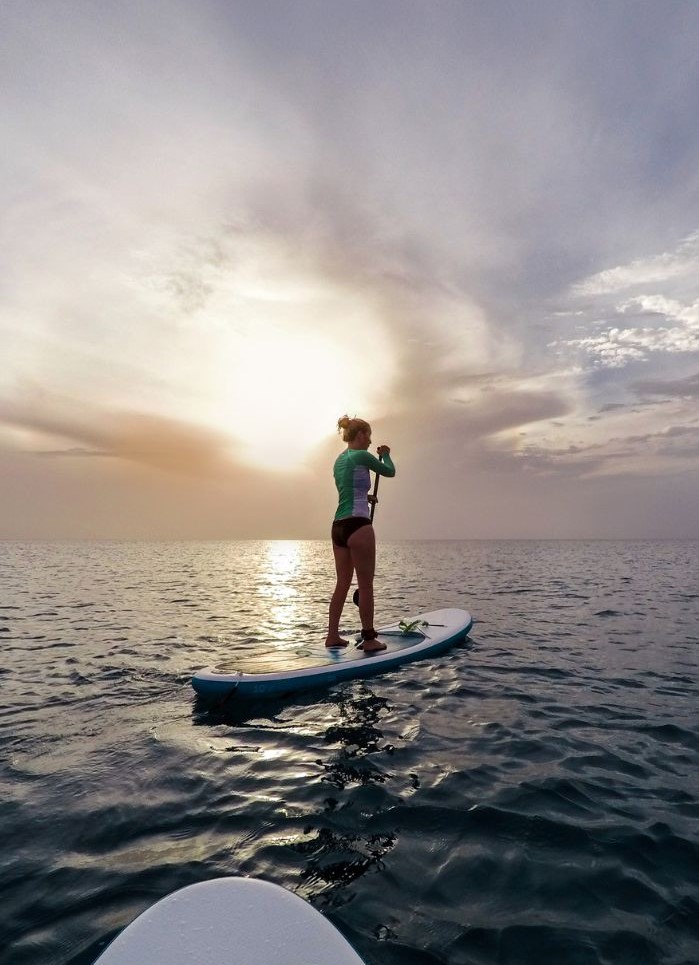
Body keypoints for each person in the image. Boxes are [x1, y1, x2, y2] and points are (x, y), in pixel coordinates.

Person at [326, 415, 396, 652]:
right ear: (361, 434)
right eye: (369, 435)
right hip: (359, 525)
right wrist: (385, 453)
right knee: (365, 586)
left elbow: (348, 490)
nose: (370, 441)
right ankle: (369, 639)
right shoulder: (363, 455)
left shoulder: (339, 460)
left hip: (338, 527)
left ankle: (332, 636)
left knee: (342, 584)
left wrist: (365, 497)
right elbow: (389, 471)